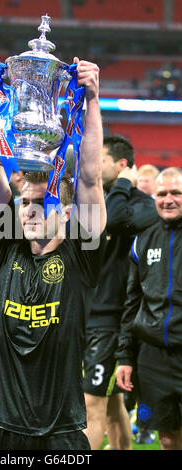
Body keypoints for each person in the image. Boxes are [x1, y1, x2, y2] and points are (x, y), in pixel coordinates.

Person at [0, 58, 106, 451]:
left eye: (39, 203)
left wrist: (94, 99)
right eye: (24, 203)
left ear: (65, 211)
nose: (28, 211)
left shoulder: (81, 253)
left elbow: (89, 176)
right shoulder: (6, 245)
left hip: (59, 427)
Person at [82, 134, 159, 450]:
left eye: (102, 161)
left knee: (91, 403)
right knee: (112, 405)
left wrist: (125, 184)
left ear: (122, 165)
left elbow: (111, 220)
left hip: (113, 321)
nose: (96, 167)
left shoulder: (142, 203)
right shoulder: (100, 197)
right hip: (92, 315)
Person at [116, 167, 182, 451]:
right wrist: (125, 356)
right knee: (166, 437)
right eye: (162, 194)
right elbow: (132, 302)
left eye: (176, 193)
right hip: (153, 358)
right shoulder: (142, 239)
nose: (168, 200)